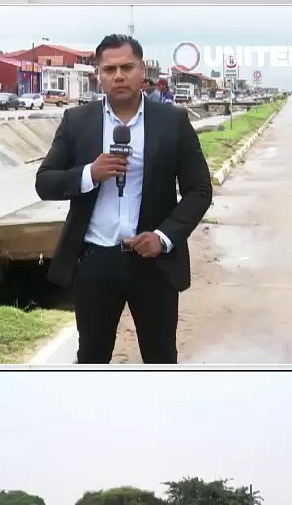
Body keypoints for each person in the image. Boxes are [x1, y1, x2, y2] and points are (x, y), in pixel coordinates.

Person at [35, 34, 213, 364]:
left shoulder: (172, 122)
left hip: (153, 264)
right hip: (94, 262)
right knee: (92, 356)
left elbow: (200, 190)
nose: (119, 75)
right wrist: (90, 173)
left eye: (127, 67)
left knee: (160, 357)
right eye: (110, 69)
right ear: (98, 74)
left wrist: (164, 237)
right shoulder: (77, 122)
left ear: (142, 70)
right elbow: (44, 183)